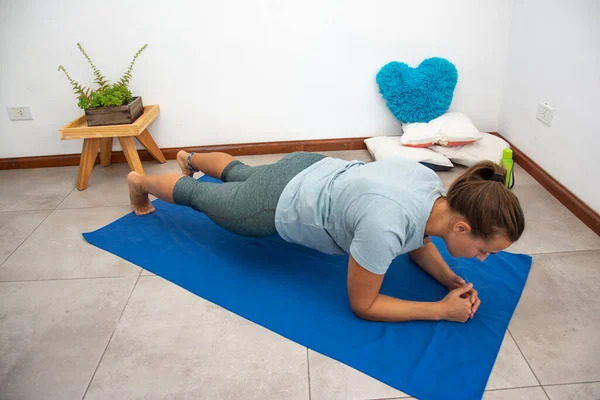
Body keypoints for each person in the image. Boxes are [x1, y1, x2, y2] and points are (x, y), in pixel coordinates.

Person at [127, 150, 525, 323]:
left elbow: (418, 240)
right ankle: (140, 181)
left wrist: (449, 280)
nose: (483, 257)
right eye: (484, 249)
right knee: (200, 195)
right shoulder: (383, 225)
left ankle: (191, 157)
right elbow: (364, 304)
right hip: (273, 204)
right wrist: (439, 310)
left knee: (240, 171)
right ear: (461, 227)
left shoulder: (430, 186)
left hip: (311, 167)